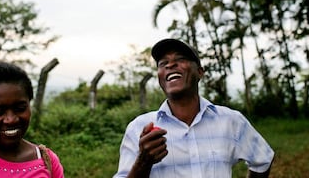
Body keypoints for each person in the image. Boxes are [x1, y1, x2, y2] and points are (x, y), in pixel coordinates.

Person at [114, 38, 274, 178]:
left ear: (199, 72)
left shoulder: (231, 121)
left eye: (180, 59)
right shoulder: (138, 129)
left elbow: (263, 160)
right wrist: (143, 162)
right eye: (163, 63)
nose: (170, 64)